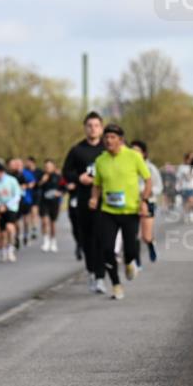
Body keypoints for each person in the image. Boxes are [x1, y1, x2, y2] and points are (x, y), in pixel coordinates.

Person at [90, 124, 150, 300]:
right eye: (106, 137)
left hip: (130, 211)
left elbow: (148, 180)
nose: (108, 140)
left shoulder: (133, 157)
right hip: (108, 211)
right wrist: (94, 198)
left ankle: (130, 262)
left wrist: (144, 200)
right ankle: (116, 285)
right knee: (107, 249)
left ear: (121, 140)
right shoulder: (101, 160)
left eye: (112, 137)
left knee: (130, 250)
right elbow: (97, 184)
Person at [62, 111, 107, 294]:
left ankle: (101, 276)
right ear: (85, 128)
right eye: (89, 126)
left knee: (103, 238)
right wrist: (79, 178)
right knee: (88, 239)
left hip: (106, 200)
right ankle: (92, 272)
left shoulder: (107, 148)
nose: (93, 129)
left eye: (96, 125)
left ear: (101, 128)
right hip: (84, 200)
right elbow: (66, 172)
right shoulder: (77, 150)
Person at [131, 141, 162, 267]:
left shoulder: (150, 168)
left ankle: (151, 244)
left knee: (146, 236)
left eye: (137, 150)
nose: (134, 153)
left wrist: (147, 192)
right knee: (134, 235)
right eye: (132, 150)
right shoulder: (127, 167)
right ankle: (137, 262)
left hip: (148, 202)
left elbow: (159, 187)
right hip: (131, 203)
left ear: (143, 153)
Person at [0, 162, 22, 262]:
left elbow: (17, 196)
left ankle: (11, 248)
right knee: (2, 232)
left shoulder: (12, 180)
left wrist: (7, 206)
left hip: (11, 207)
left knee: (10, 227)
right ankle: (4, 250)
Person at [36, 158, 64, 253]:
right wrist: (42, 181)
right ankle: (45, 240)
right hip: (43, 201)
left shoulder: (58, 177)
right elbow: (36, 186)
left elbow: (64, 188)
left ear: (53, 167)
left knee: (52, 223)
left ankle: (53, 241)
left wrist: (60, 193)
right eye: (46, 166)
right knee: (44, 221)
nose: (47, 168)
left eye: (49, 166)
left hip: (54, 202)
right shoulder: (41, 176)